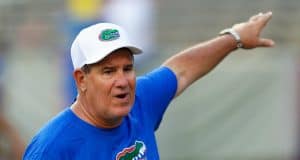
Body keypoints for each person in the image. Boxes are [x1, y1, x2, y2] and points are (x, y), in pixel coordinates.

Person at [23, 11, 274, 159]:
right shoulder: (52, 147)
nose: (122, 81)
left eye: (127, 68)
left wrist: (236, 37)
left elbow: (182, 69)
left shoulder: (139, 100)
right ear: (81, 79)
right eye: (108, 71)